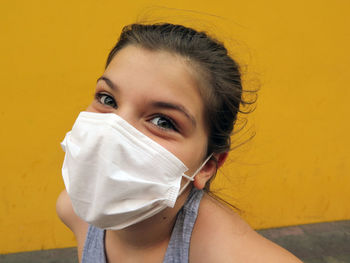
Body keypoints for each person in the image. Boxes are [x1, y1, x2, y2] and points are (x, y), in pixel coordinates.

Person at [56, 23, 302, 263]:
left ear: (207, 166)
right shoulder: (73, 210)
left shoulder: (232, 255)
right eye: (107, 99)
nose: (114, 131)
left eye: (163, 122)